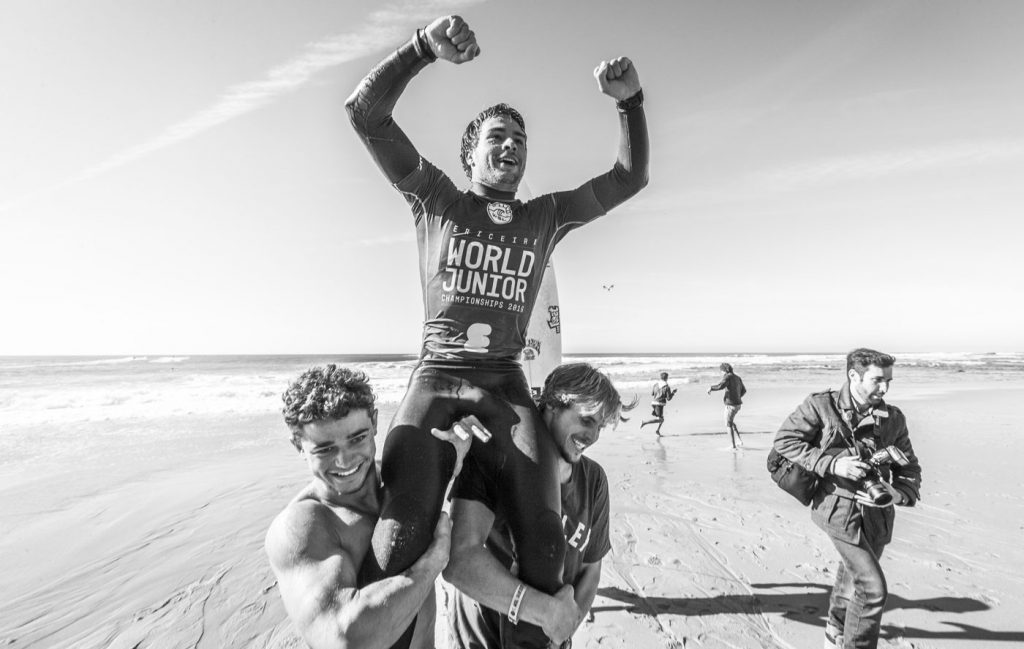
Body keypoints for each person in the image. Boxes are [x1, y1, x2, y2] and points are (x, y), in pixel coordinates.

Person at [345, 14, 648, 649]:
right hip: (437, 376)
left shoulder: (545, 217)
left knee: (545, 544)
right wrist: (423, 49)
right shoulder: (438, 200)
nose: (511, 146)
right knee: (399, 542)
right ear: (470, 152)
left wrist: (632, 106)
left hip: (507, 384)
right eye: (497, 136)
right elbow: (366, 113)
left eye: (520, 139)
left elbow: (628, 179)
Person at [264, 365, 479, 649]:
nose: (345, 461)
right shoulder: (303, 526)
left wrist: (451, 460)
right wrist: (431, 564)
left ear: (375, 422)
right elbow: (343, 638)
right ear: (298, 444)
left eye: (358, 438)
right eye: (325, 449)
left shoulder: (403, 481)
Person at [444, 363, 632, 649]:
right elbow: (459, 562)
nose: (593, 437)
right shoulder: (496, 458)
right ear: (553, 404)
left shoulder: (593, 480)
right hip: (480, 638)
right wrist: (545, 613)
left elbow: (591, 569)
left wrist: (563, 629)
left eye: (600, 426)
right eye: (586, 420)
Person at [772, 349, 922, 649]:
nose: (885, 388)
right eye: (878, 380)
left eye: (889, 381)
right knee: (872, 589)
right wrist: (832, 464)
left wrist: (899, 494)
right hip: (837, 511)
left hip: (878, 514)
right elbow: (785, 441)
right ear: (854, 375)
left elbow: (909, 467)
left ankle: (834, 632)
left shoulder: (893, 418)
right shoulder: (821, 406)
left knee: (851, 578)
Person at [707, 362, 746, 448]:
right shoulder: (737, 377)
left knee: (728, 424)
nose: (721, 373)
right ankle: (739, 441)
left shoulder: (727, 376)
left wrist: (711, 388)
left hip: (731, 405)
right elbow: (744, 390)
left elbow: (721, 386)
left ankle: (733, 446)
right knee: (730, 422)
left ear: (724, 371)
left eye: (721, 371)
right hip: (738, 405)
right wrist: (737, 397)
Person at [640, 371, 676, 436]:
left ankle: (657, 430)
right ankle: (644, 422)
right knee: (660, 419)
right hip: (659, 404)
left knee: (662, 419)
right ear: (666, 378)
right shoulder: (667, 387)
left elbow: (652, 394)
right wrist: (673, 393)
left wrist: (658, 393)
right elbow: (669, 399)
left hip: (654, 403)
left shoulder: (656, 385)